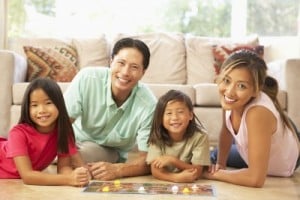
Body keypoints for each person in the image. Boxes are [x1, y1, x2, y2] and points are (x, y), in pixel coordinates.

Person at [63, 37, 157, 180]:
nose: (125, 72)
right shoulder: (87, 78)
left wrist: (118, 169)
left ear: (143, 72)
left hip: (108, 151)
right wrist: (80, 164)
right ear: (111, 61)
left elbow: (148, 160)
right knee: (50, 144)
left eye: (134, 67)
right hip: (73, 139)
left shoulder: (149, 104)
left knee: (78, 155)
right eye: (121, 63)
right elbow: (60, 127)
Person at [203, 49, 300, 187]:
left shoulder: (257, 113)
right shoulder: (230, 100)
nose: (229, 91)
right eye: (226, 80)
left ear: (256, 90)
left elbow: (255, 179)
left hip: (289, 155)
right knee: (216, 155)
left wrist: (210, 174)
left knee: (210, 158)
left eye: (241, 86)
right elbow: (226, 130)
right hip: (263, 128)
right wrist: (220, 165)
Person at [0, 78, 90, 186]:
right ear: (27, 108)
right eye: (34, 105)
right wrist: (68, 179)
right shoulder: (18, 134)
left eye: (48, 103)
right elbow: (28, 176)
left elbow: (64, 168)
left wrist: (76, 177)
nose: (41, 110)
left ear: (59, 104)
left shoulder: (63, 132)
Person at [146, 90, 211, 183]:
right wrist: (176, 178)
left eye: (180, 112)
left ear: (190, 115)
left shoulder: (200, 136)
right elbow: (155, 170)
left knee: (210, 166)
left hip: (195, 165)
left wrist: (173, 161)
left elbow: (198, 171)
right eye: (169, 113)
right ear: (160, 118)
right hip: (175, 177)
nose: (175, 117)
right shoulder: (157, 135)